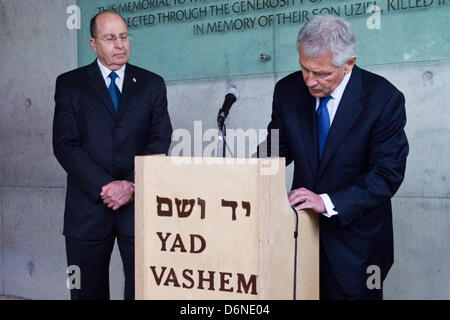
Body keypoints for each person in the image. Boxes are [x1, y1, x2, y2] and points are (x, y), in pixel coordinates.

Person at [259, 15, 408, 299]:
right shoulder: (288, 90)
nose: (310, 81)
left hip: (357, 248)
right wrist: (243, 172)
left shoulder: (384, 98)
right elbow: (276, 148)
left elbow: (387, 175)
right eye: (304, 69)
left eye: (322, 74)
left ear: (349, 63)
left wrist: (326, 201)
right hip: (300, 239)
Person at [53, 11, 172, 300]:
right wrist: (105, 187)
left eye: (123, 36)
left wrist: (130, 184)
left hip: (138, 209)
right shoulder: (71, 84)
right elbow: (65, 144)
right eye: (110, 38)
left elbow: (159, 141)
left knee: (144, 292)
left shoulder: (151, 83)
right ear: (94, 43)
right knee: (85, 292)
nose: (120, 45)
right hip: (87, 209)